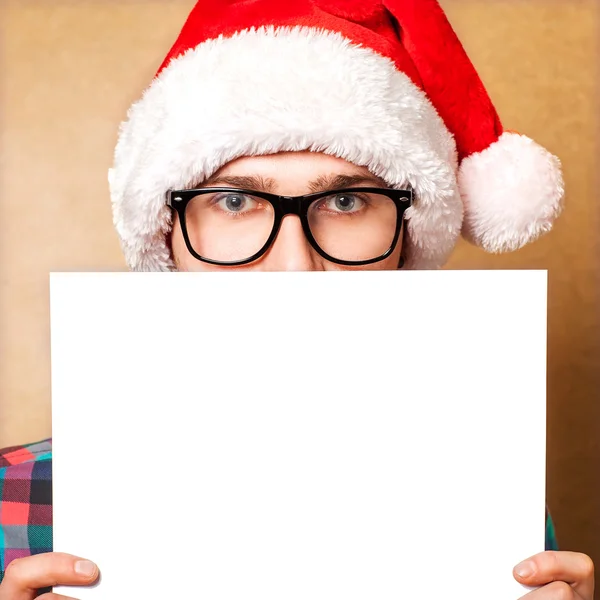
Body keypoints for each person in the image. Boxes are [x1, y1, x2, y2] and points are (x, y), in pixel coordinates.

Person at [0, 0, 594, 598]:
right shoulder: (13, 500)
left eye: (345, 202)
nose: (293, 265)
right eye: (235, 201)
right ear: (165, 236)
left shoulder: (491, 505)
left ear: (409, 241)